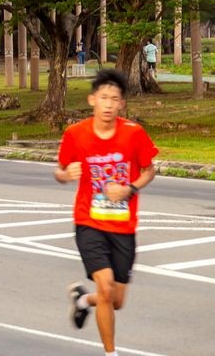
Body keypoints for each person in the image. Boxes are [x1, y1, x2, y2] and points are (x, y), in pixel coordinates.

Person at [56, 68, 158, 356]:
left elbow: (149, 169)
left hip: (123, 226)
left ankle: (82, 301)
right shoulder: (76, 134)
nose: (109, 104)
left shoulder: (133, 133)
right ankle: (110, 352)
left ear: (122, 103)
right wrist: (66, 175)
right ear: (92, 100)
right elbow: (60, 170)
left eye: (115, 99)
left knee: (116, 300)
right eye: (104, 97)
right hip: (89, 223)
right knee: (105, 285)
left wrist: (130, 189)